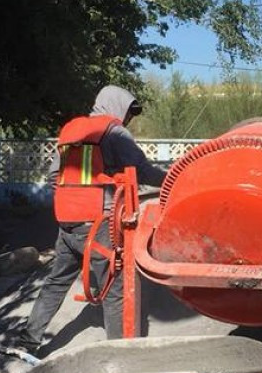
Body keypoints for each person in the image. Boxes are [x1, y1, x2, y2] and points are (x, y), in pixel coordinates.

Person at [20, 86, 167, 347]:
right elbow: (142, 171)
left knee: (56, 280)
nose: (128, 119)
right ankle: (119, 349)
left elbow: (55, 177)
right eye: (128, 113)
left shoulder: (70, 131)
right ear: (117, 106)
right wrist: (170, 181)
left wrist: (70, 201)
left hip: (67, 221)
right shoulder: (114, 132)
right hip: (99, 222)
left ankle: (28, 339)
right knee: (113, 287)